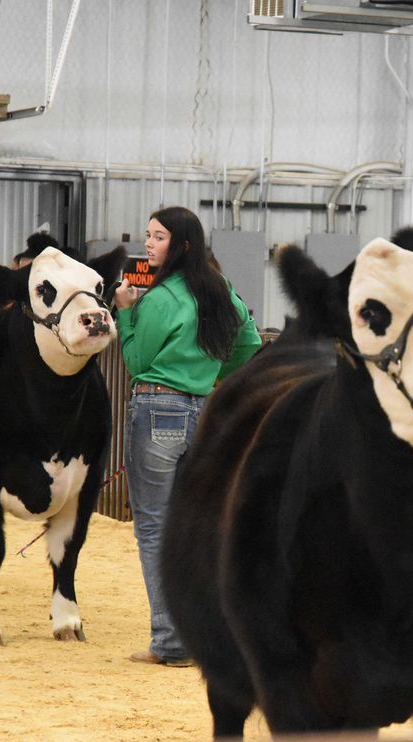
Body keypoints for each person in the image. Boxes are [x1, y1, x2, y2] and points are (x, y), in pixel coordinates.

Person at [113, 206, 261, 668]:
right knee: (197, 528)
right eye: (148, 236)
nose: (148, 245)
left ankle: (172, 642)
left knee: (155, 529)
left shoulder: (157, 298)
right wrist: (212, 373)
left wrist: (126, 313)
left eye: (157, 237)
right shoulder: (222, 291)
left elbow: (137, 362)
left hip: (157, 408)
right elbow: (250, 346)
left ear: (181, 245)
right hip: (202, 412)